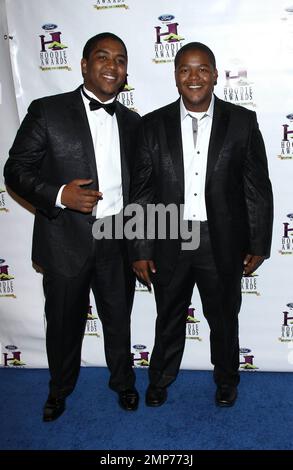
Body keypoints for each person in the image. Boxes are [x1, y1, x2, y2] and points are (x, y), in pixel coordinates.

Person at [4, 32, 141, 421]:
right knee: (63, 324)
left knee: (118, 319)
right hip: (65, 240)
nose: (112, 66)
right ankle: (59, 389)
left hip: (117, 237)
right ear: (84, 65)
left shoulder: (133, 123)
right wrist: (60, 194)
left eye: (119, 59)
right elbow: (15, 170)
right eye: (102, 57)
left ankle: (124, 382)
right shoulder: (47, 111)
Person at [130, 42, 273, 408]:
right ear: (175, 76)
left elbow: (256, 187)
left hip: (221, 241)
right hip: (170, 238)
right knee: (169, 316)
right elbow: (142, 192)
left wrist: (258, 242)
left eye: (202, 68)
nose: (194, 77)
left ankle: (226, 380)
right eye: (185, 69)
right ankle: (160, 379)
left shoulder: (242, 122)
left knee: (224, 317)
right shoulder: (151, 125)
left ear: (214, 74)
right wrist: (141, 248)